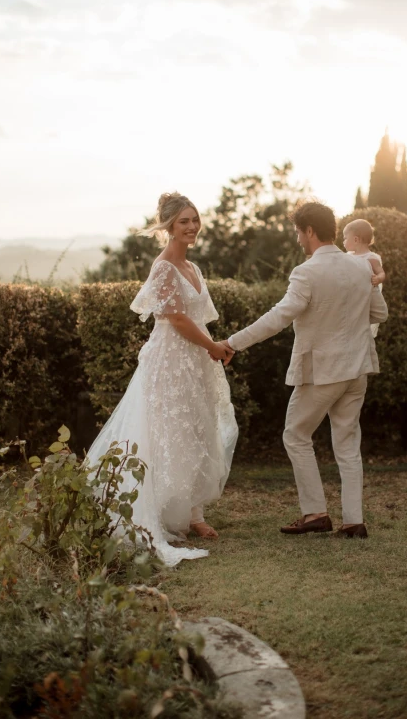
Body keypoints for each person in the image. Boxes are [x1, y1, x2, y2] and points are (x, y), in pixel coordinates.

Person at [86, 193, 238, 566]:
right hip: (170, 360)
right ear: (168, 225)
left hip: (195, 358)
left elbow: (198, 317)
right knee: (170, 432)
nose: (192, 226)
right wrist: (213, 347)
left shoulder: (193, 268)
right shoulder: (164, 267)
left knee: (197, 429)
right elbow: (176, 319)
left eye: (195, 219)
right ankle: (167, 514)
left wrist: (212, 348)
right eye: (184, 221)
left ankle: (193, 514)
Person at [222, 202, 388, 539]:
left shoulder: (307, 272)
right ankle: (354, 521)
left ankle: (315, 513)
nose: (298, 238)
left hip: (323, 372)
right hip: (357, 369)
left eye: (299, 231)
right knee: (347, 443)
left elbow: (279, 317)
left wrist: (233, 342)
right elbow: (379, 314)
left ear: (309, 231)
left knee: (295, 435)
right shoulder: (361, 267)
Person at [343, 218, 385, 338]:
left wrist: (378, 279)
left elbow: (381, 273)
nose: (343, 242)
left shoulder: (371, 258)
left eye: (345, 238)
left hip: (363, 295)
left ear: (356, 239)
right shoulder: (348, 257)